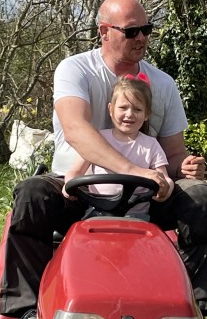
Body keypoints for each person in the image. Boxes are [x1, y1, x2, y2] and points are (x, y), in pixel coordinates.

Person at [0, 0, 207, 319]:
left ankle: (195, 313)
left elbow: (173, 155)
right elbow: (77, 131)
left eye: (147, 29)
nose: (142, 38)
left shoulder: (163, 84)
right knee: (32, 194)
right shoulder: (75, 70)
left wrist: (187, 168)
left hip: (144, 199)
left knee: (200, 196)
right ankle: (27, 313)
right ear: (105, 31)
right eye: (132, 31)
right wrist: (132, 170)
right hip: (76, 190)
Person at [61, 73, 174, 216]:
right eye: (123, 108)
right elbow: (76, 171)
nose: (129, 114)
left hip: (136, 216)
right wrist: (69, 183)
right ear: (111, 109)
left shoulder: (151, 145)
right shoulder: (98, 140)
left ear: (146, 114)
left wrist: (166, 188)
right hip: (97, 212)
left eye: (137, 109)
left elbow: (164, 177)